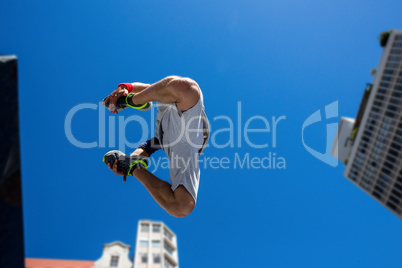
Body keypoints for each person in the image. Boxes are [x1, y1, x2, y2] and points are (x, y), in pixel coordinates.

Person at [102, 76, 209, 217]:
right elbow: (149, 87)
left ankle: (134, 168)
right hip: (172, 110)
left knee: (181, 206)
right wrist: (125, 88)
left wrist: (129, 163)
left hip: (180, 141)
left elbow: (148, 146)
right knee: (187, 90)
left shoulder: (178, 146)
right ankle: (133, 100)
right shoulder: (184, 105)